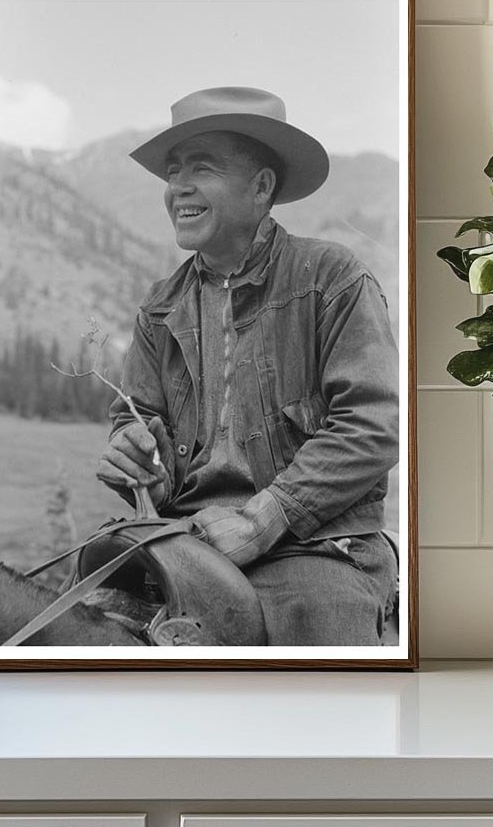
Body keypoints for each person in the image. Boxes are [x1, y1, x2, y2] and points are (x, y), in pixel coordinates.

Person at [96, 86, 400, 646]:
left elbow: (372, 426)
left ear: (261, 187)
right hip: (186, 537)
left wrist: (265, 520)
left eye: (201, 168)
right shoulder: (159, 308)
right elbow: (134, 424)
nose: (178, 187)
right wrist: (140, 460)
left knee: (320, 643)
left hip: (312, 546)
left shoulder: (331, 278)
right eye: (173, 171)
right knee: (78, 620)